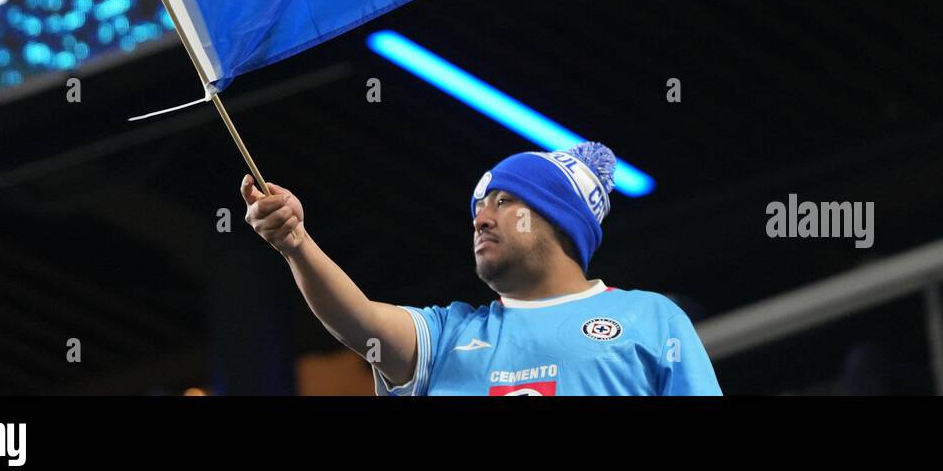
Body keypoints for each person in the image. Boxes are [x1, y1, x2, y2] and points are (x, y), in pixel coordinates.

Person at [242, 141, 722, 395]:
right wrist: (294, 243)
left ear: (557, 217)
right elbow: (360, 321)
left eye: (504, 200)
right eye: (478, 205)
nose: (481, 217)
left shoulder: (650, 318)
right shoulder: (450, 335)